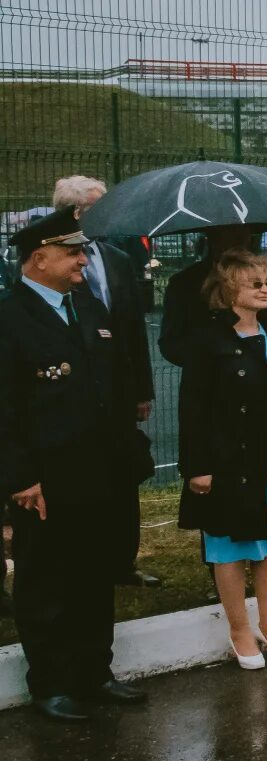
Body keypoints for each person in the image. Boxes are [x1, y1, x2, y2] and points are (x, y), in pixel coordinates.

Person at [1, 208, 150, 722]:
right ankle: (51, 682)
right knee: (46, 579)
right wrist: (20, 477)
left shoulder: (86, 306)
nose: (83, 261)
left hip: (101, 470)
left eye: (82, 252)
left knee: (94, 574)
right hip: (46, 480)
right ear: (38, 259)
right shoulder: (9, 317)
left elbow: (114, 384)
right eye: (72, 253)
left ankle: (94, 673)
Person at [178, 250, 267, 670]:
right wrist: (198, 467)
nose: (265, 289)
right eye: (255, 283)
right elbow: (192, 407)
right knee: (229, 545)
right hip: (228, 457)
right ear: (230, 289)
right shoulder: (208, 339)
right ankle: (239, 630)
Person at [55, 175, 158, 587]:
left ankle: (123, 562)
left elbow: (134, 329)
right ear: (77, 212)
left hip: (120, 390)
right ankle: (87, 562)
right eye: (100, 205)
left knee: (124, 471)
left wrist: (142, 390)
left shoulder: (117, 257)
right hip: (78, 392)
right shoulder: (53, 263)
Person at [160, 226, 267, 367]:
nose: (237, 239)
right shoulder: (185, 283)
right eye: (226, 233)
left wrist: (253, 307)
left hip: (266, 367)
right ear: (211, 237)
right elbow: (171, 344)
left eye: (242, 231)